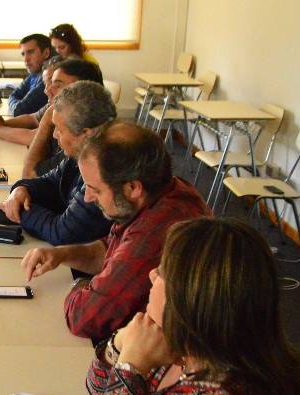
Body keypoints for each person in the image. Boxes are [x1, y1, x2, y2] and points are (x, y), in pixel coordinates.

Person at [86, 217, 300, 395]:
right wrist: (123, 344)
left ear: (189, 301)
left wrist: (131, 368)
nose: (152, 275)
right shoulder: (198, 346)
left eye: (165, 272)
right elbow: (97, 388)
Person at [21, 122, 210, 343]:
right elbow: (111, 248)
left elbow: (86, 317)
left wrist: (79, 284)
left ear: (132, 188)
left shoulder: (154, 233)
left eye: (96, 189)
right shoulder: (162, 192)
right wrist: (62, 255)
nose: (88, 197)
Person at [0, 81, 116, 246]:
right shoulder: (82, 152)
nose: (55, 135)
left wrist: (20, 210)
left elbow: (62, 233)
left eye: (59, 129)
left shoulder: (106, 169)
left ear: (86, 134)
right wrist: (21, 190)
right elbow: (50, 182)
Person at [22, 58, 104, 178]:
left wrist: (45, 121)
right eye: (50, 84)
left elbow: (30, 176)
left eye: (57, 85)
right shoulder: (67, 120)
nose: (47, 91)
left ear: (83, 90)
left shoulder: (81, 134)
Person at [0, 55, 62, 147]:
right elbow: (33, 118)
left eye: (54, 83)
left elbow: (35, 138)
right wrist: (3, 123)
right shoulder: (54, 104)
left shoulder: (69, 107)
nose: (46, 90)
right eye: (45, 83)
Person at [7, 33, 52, 116]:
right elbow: (13, 95)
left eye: (30, 52)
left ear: (46, 53)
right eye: (23, 54)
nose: (26, 59)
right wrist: (17, 104)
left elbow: (19, 110)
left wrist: (16, 104)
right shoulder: (34, 74)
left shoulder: (48, 78)